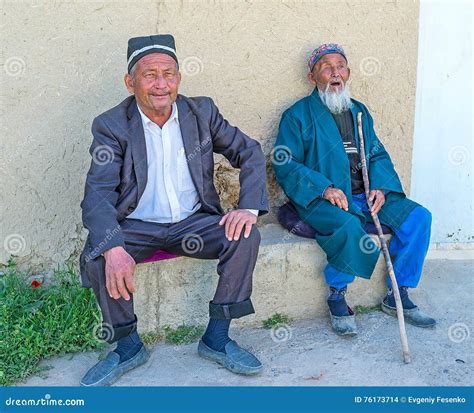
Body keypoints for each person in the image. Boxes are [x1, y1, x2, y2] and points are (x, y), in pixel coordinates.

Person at [79, 34, 268, 386]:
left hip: (194, 223)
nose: (161, 84)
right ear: (130, 81)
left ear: (179, 78)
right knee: (98, 254)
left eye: (169, 73)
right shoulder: (112, 125)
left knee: (245, 236)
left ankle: (217, 337)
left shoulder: (202, 112)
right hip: (137, 225)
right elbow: (97, 194)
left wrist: (248, 208)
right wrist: (114, 246)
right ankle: (127, 345)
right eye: (150, 75)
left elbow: (250, 151)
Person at [273, 43, 436, 336]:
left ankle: (398, 292)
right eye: (326, 67)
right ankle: (337, 294)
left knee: (419, 218)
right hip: (323, 197)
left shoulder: (360, 111)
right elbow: (285, 163)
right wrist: (323, 188)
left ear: (347, 73)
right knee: (349, 225)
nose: (335, 73)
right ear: (313, 77)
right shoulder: (297, 115)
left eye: (341, 67)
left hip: (366, 193)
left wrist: (382, 188)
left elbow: (376, 153)